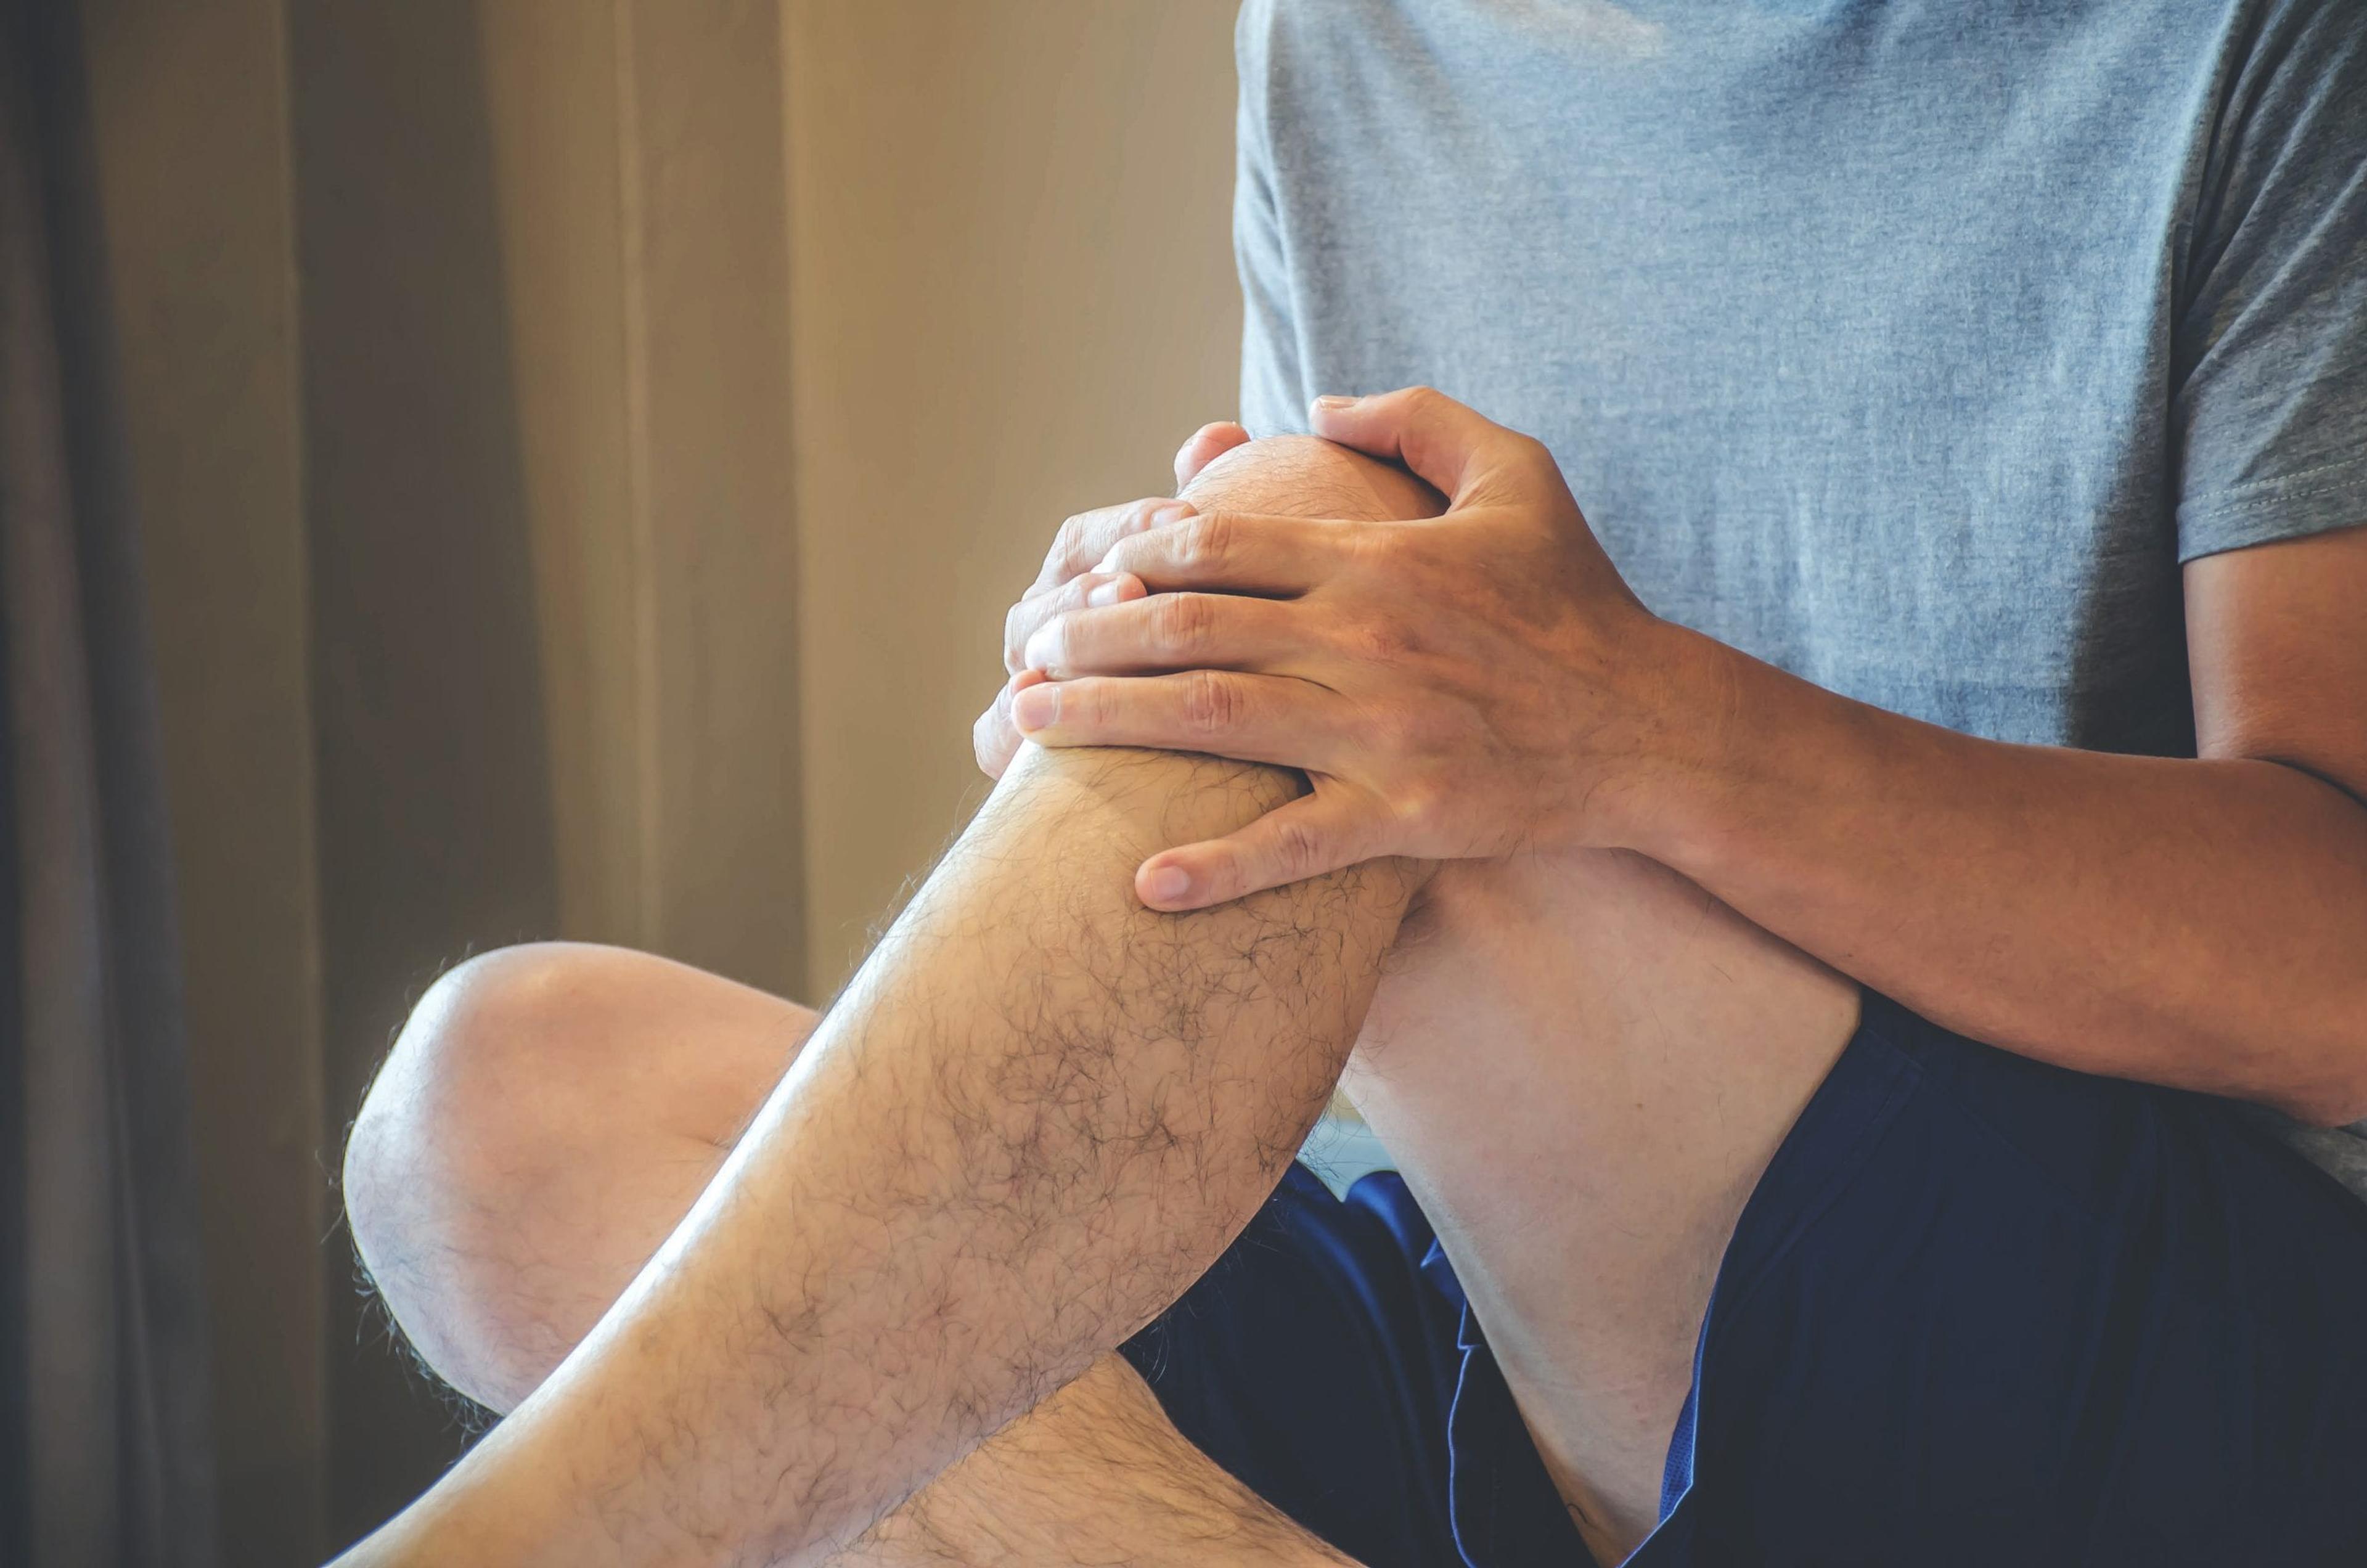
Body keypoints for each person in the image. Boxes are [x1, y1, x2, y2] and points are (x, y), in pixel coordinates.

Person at [338, 0, 2367, 1561]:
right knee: (495, 1118)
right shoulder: (1360, 38)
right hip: (1497, 1262)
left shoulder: (2257, 47)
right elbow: (1363, 703)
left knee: (1381, 704)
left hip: (2123, 1322)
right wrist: (1138, 669)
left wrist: (1643, 730)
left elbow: (2334, 965)